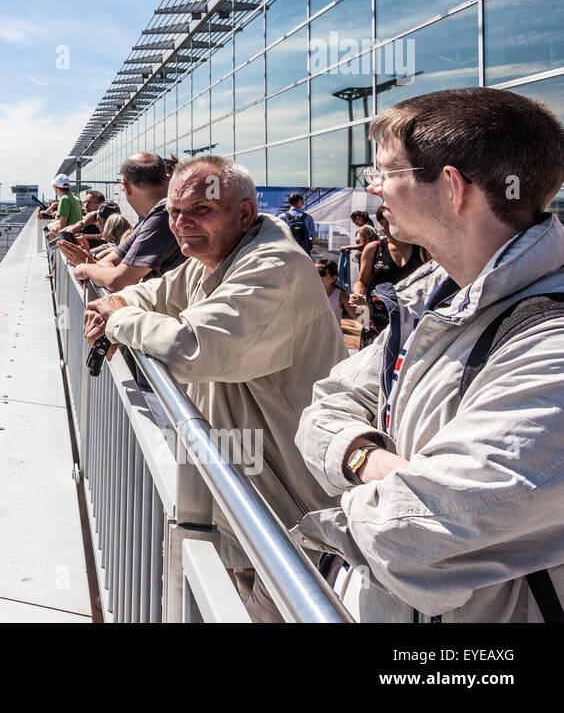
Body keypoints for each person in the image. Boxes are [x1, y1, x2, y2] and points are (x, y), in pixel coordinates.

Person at [295, 88, 564, 622]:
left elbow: (415, 529)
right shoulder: (428, 298)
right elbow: (325, 407)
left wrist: (348, 503)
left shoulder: (549, 340)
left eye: (386, 172)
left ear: (450, 186)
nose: (371, 190)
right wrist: (370, 460)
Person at [83, 156, 346, 614]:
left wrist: (119, 319)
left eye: (200, 211)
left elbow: (195, 347)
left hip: (291, 518)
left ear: (244, 213)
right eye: (174, 212)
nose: (182, 225)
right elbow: (157, 293)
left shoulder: (274, 266)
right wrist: (122, 302)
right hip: (248, 494)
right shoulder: (213, 259)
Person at [57, 152, 184, 291]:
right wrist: (101, 268)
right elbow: (109, 265)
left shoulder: (165, 214)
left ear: (126, 186)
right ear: (167, 178)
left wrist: (86, 268)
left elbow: (118, 281)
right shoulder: (152, 218)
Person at [350, 207, 424, 344]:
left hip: (412, 318)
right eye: (383, 223)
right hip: (377, 318)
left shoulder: (422, 249)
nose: (386, 227)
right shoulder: (374, 248)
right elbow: (362, 281)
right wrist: (358, 294)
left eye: (391, 222)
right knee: (373, 360)